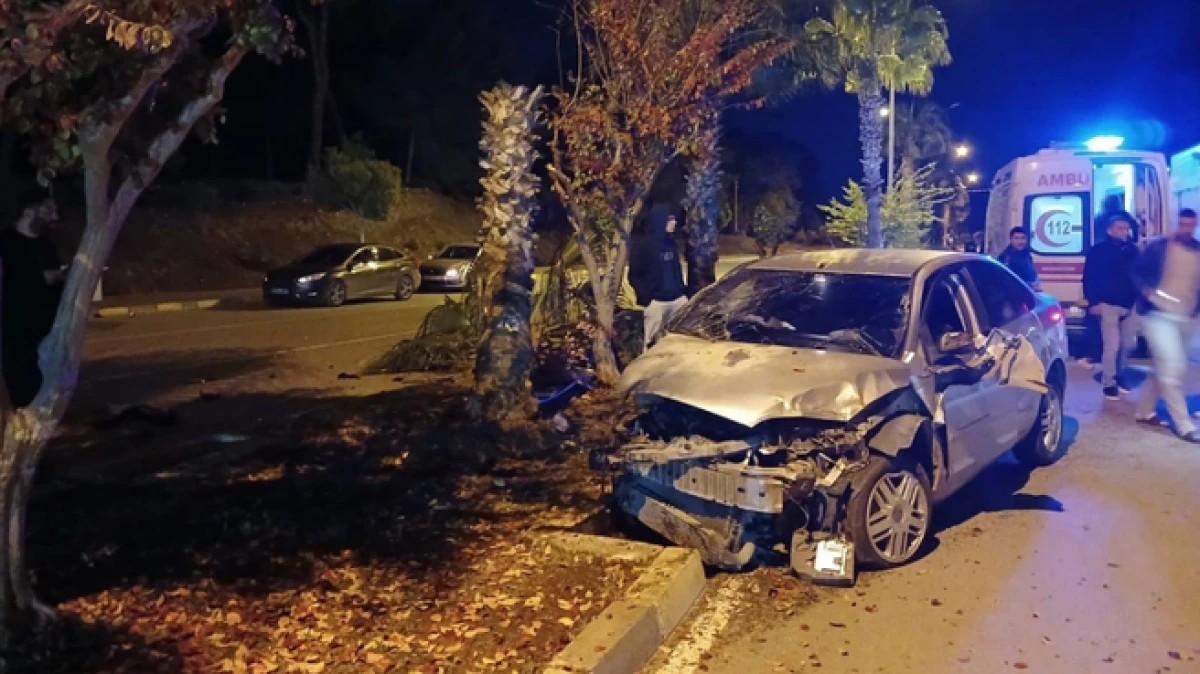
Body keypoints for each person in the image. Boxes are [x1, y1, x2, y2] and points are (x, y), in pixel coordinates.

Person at [1131, 209, 1200, 443]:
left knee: (1161, 366)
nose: (1186, 228)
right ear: (1176, 223)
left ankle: (1144, 410)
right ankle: (1183, 424)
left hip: (1186, 317)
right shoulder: (1158, 248)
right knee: (1173, 367)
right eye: (1182, 224)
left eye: (1190, 225)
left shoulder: (1198, 250)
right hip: (1158, 316)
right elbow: (1135, 272)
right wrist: (1147, 293)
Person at [0, 192, 63, 407]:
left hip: (45, 330)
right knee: (16, 379)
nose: (54, 216)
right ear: (29, 211)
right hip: (12, 328)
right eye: (47, 211)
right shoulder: (5, 243)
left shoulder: (47, 246)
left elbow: (52, 281)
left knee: (42, 381)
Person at [1083, 212, 1139, 399]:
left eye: (1126, 229)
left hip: (1129, 303)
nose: (1124, 232)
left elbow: (1138, 275)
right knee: (1112, 345)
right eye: (1120, 228)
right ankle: (1109, 382)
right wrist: (1093, 302)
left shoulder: (1132, 250)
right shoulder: (1097, 251)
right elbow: (1089, 278)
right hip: (1108, 303)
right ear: (1110, 230)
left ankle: (1120, 374)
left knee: (1128, 343)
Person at [630, 205, 687, 351]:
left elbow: (676, 269)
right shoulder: (643, 246)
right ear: (660, 221)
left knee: (680, 340)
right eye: (670, 219)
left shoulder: (671, 243)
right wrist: (646, 297)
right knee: (651, 343)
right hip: (656, 302)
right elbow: (634, 274)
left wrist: (682, 290)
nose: (674, 223)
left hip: (677, 300)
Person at [996, 226, 1041, 291]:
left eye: (1023, 238)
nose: (1020, 242)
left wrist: (1036, 282)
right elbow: (1008, 281)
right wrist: (1030, 285)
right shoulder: (1006, 258)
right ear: (1011, 240)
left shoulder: (1026, 254)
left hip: (1030, 291)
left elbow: (1032, 273)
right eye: (1016, 238)